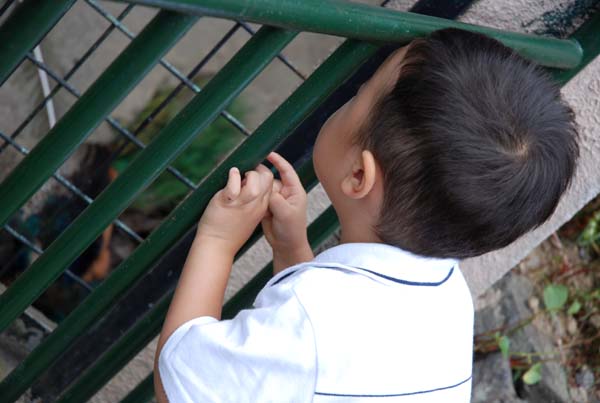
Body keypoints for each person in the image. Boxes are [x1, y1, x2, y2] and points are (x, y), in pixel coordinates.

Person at [154, 27, 579, 402]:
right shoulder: (449, 301)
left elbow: (178, 382)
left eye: (360, 94)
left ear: (359, 173)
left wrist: (217, 242)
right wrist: (291, 246)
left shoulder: (310, 323)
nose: (352, 94)